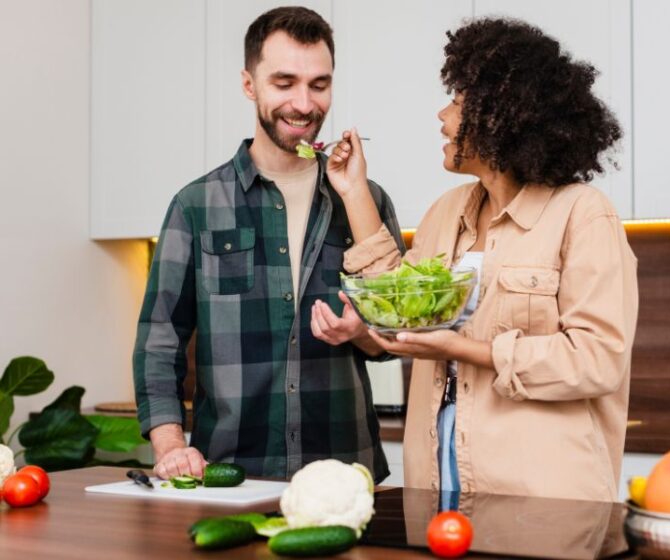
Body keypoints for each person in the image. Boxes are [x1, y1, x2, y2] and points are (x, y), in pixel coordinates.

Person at [312, 17, 638, 500]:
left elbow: (597, 360)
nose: (442, 116)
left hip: (542, 494)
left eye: (458, 102)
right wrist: (353, 190)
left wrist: (462, 349)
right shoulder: (446, 212)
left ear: (503, 115)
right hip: (437, 477)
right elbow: (405, 303)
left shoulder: (582, 214)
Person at [133, 6, 404, 482]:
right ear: (248, 84)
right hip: (230, 473)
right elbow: (160, 340)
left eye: (319, 85)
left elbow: (398, 336)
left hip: (347, 474)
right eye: (284, 83)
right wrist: (171, 445)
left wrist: (359, 333)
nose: (304, 103)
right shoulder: (196, 205)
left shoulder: (366, 198)